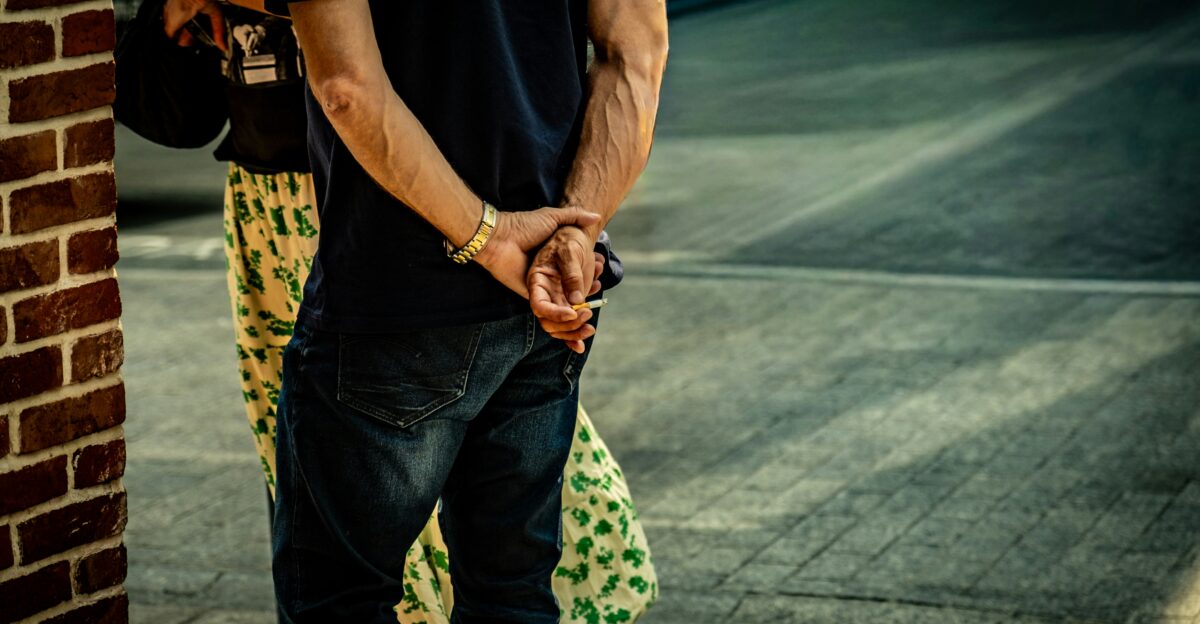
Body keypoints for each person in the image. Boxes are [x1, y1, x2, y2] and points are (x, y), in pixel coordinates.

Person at [158, 0, 664, 621]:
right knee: (511, 588)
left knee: (339, 598)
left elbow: (346, 87)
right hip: (544, 283)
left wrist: (493, 237)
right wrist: (573, 235)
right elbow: (635, 56)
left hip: (394, 294)